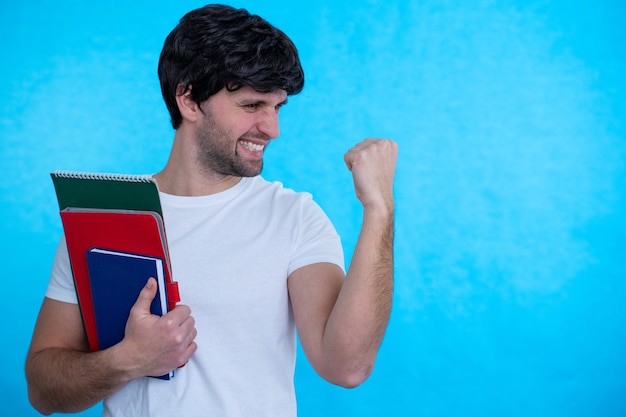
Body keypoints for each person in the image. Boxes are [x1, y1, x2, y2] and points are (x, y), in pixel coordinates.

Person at [25, 4, 398, 416]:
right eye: (253, 106)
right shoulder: (105, 216)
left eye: (278, 107)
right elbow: (44, 391)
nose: (272, 129)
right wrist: (128, 359)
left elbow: (346, 367)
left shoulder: (295, 218)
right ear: (188, 99)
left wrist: (379, 208)